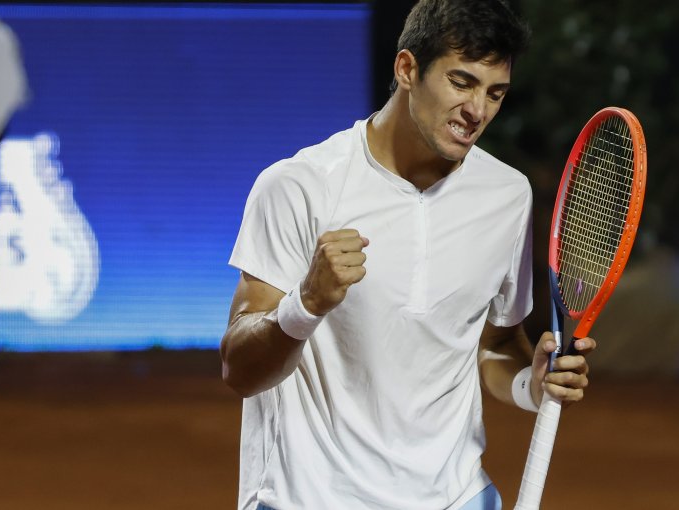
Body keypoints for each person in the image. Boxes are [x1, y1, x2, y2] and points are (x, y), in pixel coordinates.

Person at [221, 1, 594, 508]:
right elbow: (239, 371)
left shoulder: (508, 195)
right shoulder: (298, 187)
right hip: (308, 497)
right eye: (461, 83)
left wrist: (536, 383)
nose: (477, 111)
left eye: (495, 93)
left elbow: (496, 345)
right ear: (407, 69)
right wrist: (305, 304)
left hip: (454, 494)